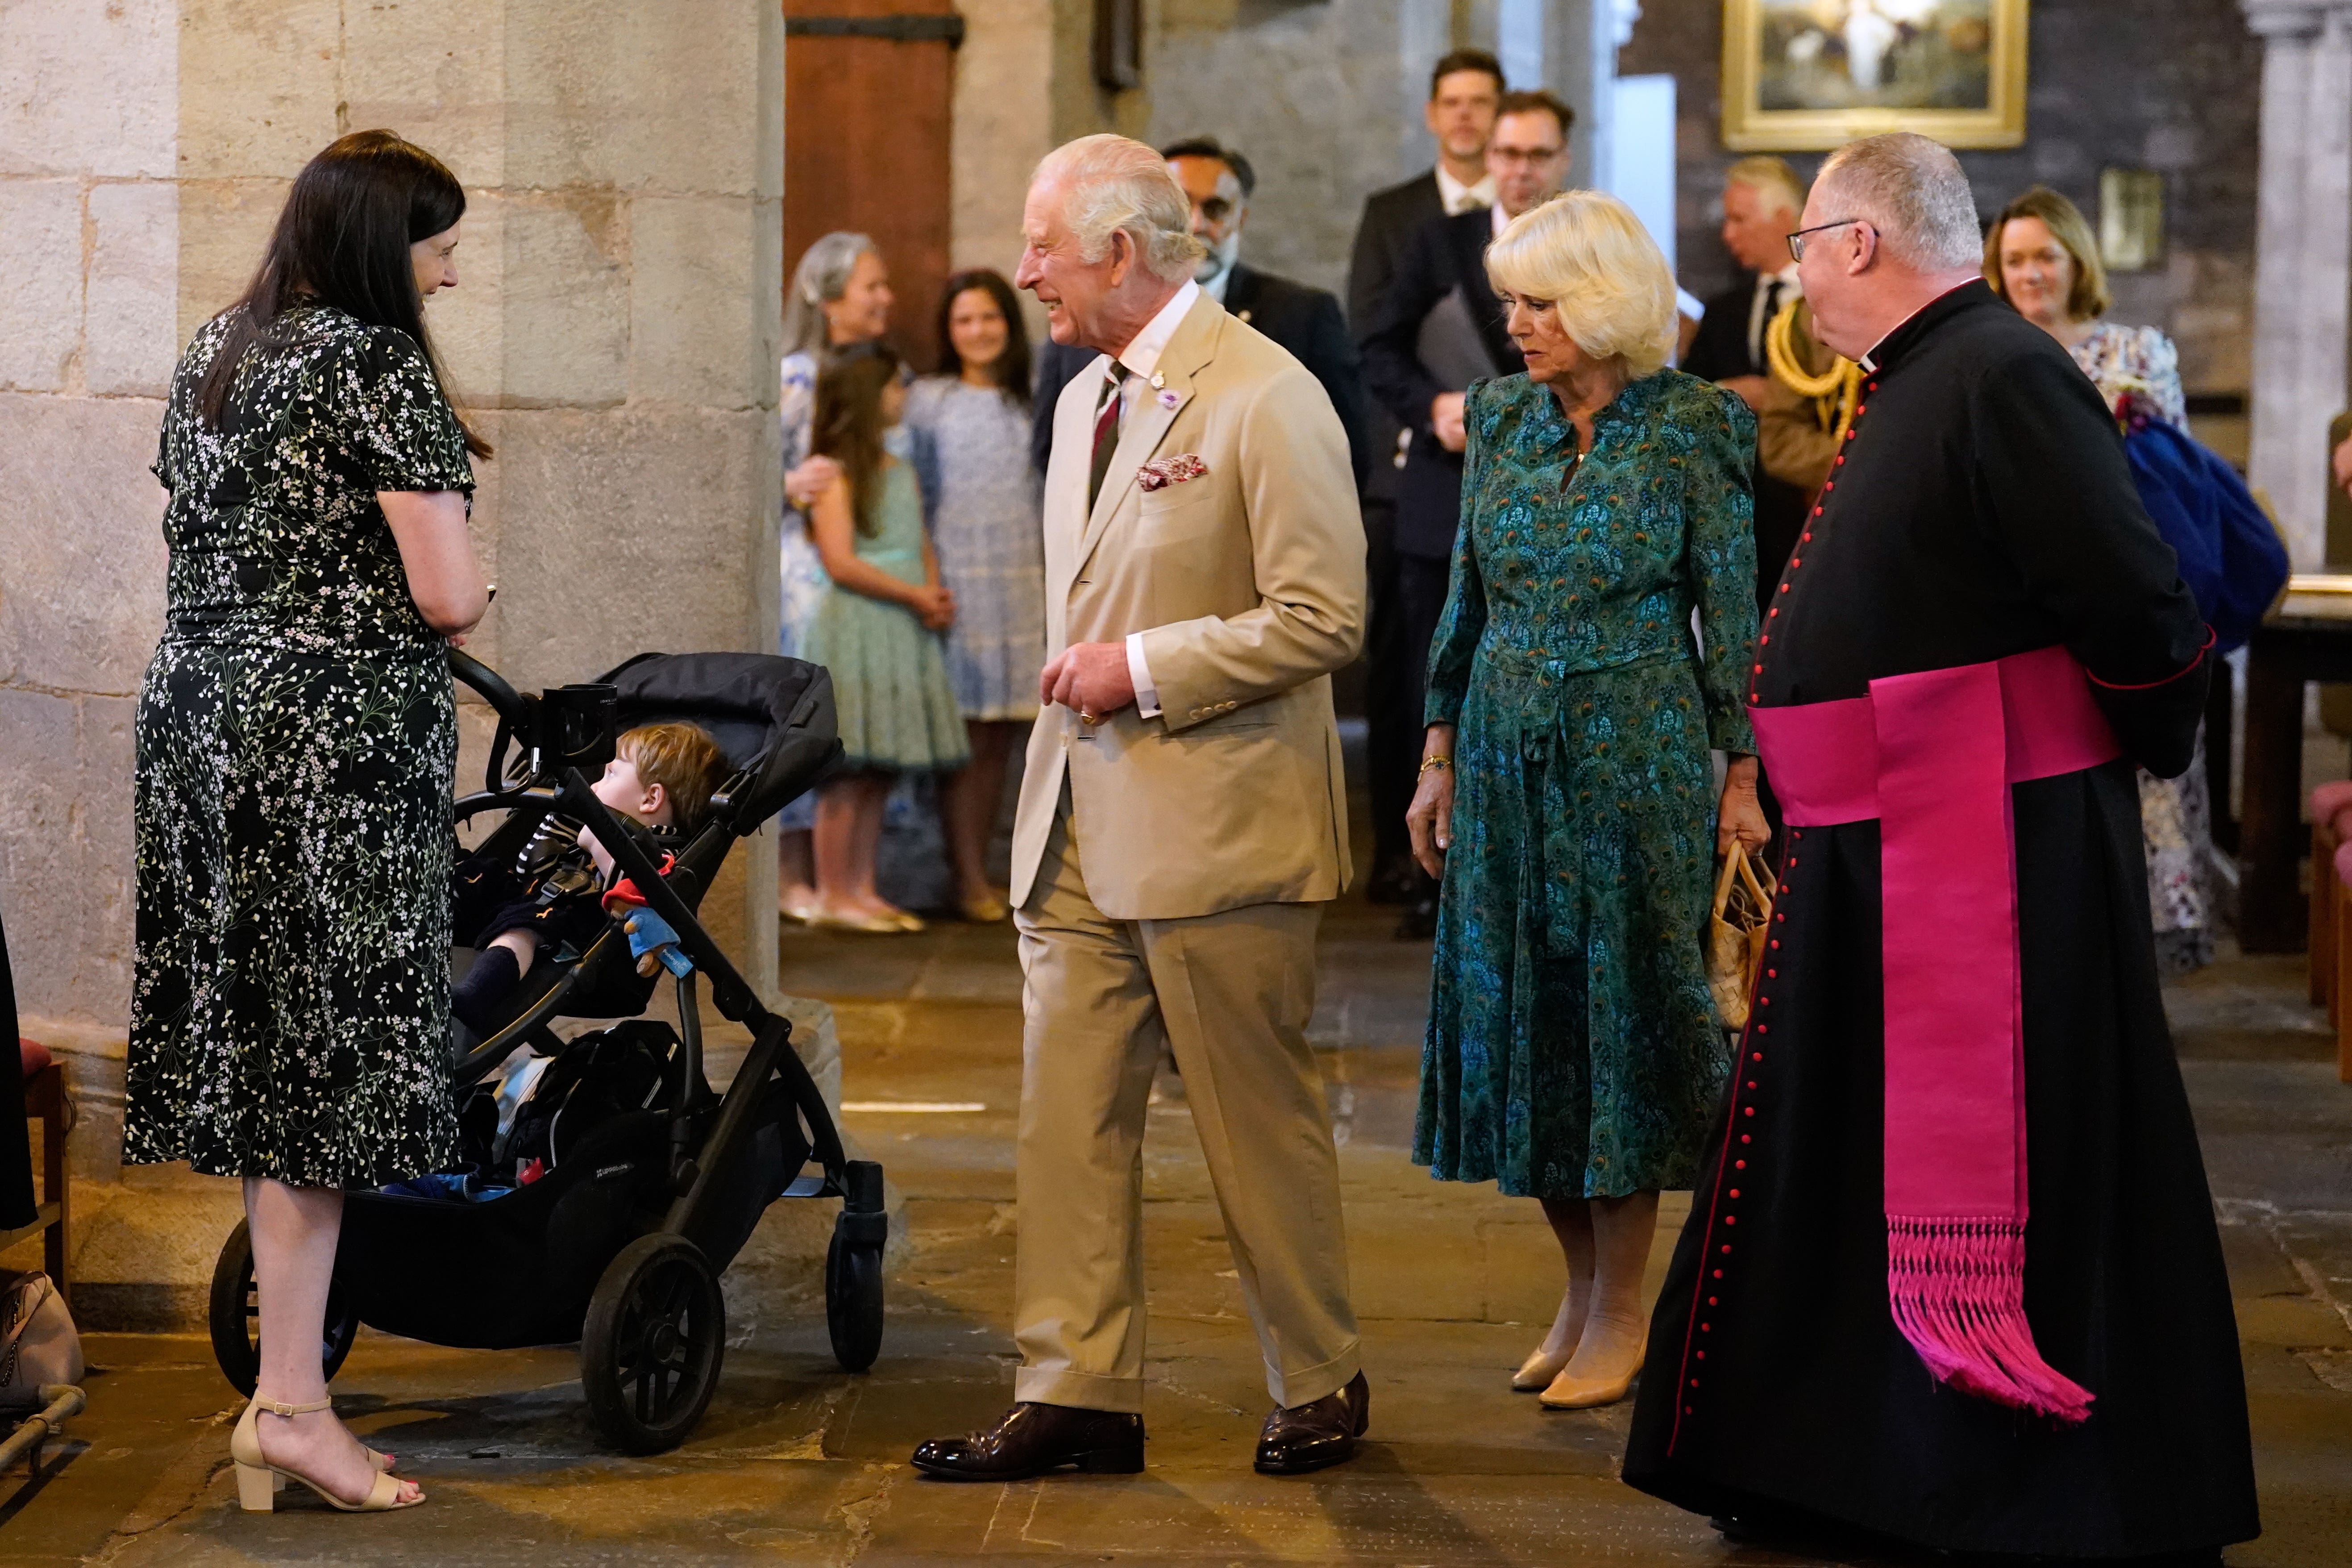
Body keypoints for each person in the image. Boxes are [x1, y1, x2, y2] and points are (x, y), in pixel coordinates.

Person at [1623, 133, 2258, 1559]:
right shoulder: (1919, 377)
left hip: (1984, 851)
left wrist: (2114, 743)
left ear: (1855, 241)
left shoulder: (2000, 371)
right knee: (1844, 1160)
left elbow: (2137, 608)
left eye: (1800, 244)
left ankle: (2003, 1481)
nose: (1791, 273)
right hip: (1882, 846)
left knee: (2002, 1168)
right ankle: (1842, 1461)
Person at [912, 133, 1368, 1482]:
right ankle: (1076, 1387)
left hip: (1217, 827)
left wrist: (1144, 669)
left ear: (1118, 250)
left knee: (1252, 1125)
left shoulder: (1265, 396)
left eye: (1042, 243)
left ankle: (1320, 1374)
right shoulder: (1078, 396)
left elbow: (1323, 616)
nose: (1024, 268)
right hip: (1071, 822)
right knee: (1064, 1121)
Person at [125, 129, 493, 1514]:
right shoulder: (373, 360)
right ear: (378, 247)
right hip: (325, 749)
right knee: (319, 1077)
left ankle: (285, 1393)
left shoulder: (216, 348)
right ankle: (291, 1403)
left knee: (272, 1056)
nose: (449, 274)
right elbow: (448, 596)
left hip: (202, 722)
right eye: (438, 244)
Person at [1404, 191, 1766, 1412]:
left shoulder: (1694, 424)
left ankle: (1624, 1310)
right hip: (1504, 758)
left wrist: (1741, 777)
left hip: (1639, 761)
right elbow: (1464, 595)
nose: (1513, 322)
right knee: (1531, 1033)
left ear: (1605, 302)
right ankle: (1573, 1295)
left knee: (1626, 1034)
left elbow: (1729, 607)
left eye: (1538, 301)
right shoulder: (1501, 417)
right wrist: (1436, 750)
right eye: (1511, 297)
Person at [1359, 89, 1573, 938]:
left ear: (1562, 161)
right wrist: (1433, 407)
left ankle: (1533, 869)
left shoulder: (1587, 240)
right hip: (1447, 491)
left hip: (1559, 497)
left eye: (1537, 155)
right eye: (1509, 154)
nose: (1521, 169)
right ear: (1490, 158)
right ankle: (1431, 872)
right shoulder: (1439, 239)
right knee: (1432, 674)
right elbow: (1375, 344)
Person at [1987, 185, 2215, 974]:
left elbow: (2180, 481)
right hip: (2030, 605)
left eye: (2043, 256)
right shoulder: (1989, 354)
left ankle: (2155, 949)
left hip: (2125, 586)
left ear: (2075, 260)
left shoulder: (2135, 351)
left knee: (2151, 772)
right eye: (2013, 259)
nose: (2030, 274)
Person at [1347, 50, 1506, 914]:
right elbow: (1370, 333)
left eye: (1482, 104)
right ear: (1432, 113)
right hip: (1419, 461)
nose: (1467, 119)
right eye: (1453, 103)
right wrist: (1422, 418)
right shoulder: (1398, 214)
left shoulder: (1528, 211)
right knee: (1409, 663)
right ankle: (1401, 853)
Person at [1030, 139, 1368, 485]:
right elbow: (1051, 453)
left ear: (1242, 219)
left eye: (1216, 209)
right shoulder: (1086, 316)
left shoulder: (1302, 316)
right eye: (1179, 207)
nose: (1195, 224)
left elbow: (1342, 458)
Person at [798, 343, 968, 933]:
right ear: (869, 394)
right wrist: (913, 595)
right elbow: (840, 560)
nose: (903, 396)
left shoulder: (898, 469)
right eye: (895, 385)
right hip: (859, 626)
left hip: (901, 627)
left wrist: (935, 591)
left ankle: (863, 886)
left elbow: (919, 540)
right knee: (847, 772)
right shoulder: (834, 474)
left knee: (879, 770)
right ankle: (832, 890)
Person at [906, 270, 1047, 924]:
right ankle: (962, 872)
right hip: (957, 576)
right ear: (948, 331)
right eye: (963, 320)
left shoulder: (1036, 395)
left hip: (1024, 575)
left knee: (1003, 735)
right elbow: (913, 495)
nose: (978, 332)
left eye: (989, 318)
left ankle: (994, 868)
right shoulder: (928, 400)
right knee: (962, 733)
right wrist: (924, 578)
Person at [450, 723, 730, 1031]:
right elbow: (530, 869)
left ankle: (478, 993)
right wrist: (564, 815)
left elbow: (633, 889)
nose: (596, 785)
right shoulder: (590, 825)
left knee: (528, 922)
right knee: (481, 873)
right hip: (541, 898)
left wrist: (598, 836)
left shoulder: (660, 852)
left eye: (610, 774)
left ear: (650, 799)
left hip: (583, 936)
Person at [777, 233, 895, 923]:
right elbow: (753, 470)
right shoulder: (797, 375)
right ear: (826, 299)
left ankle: (845, 876)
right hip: (804, 569)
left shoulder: (871, 372)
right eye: (870, 286)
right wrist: (790, 482)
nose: (885, 298)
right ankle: (794, 878)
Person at [1683, 157, 1829, 601]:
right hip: (1739, 511)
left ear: (1784, 219)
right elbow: (1685, 395)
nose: (1727, 234)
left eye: (1738, 219)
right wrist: (1731, 394)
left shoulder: (1829, 300)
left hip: (1814, 502)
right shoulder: (1723, 309)